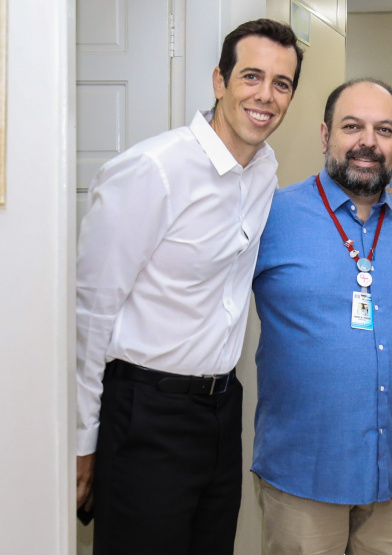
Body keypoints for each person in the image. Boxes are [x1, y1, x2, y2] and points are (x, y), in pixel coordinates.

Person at [74, 19, 303, 554]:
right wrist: (82, 441)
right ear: (219, 81)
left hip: (222, 413)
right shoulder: (152, 171)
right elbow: (89, 313)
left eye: (282, 83)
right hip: (146, 413)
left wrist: (386, 199)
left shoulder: (264, 170)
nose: (265, 96)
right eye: (251, 77)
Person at [251, 78, 392, 555]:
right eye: (353, 126)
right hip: (302, 479)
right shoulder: (271, 215)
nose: (368, 141)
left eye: (384, 129)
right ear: (325, 134)